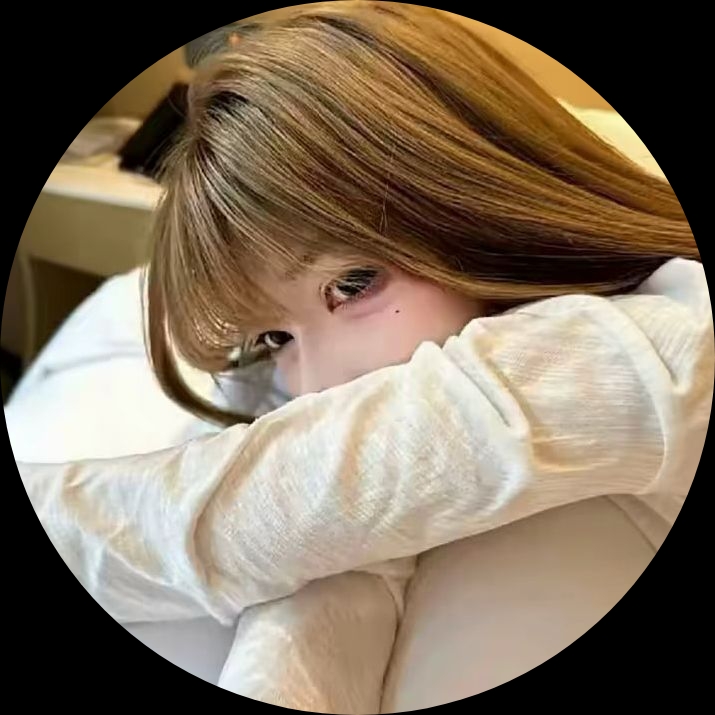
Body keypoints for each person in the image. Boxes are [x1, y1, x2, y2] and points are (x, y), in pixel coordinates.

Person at [16, 2, 710, 711]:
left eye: (352, 283)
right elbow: (336, 546)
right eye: (275, 338)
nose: (318, 385)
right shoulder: (403, 404)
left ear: (484, 201)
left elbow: (222, 519)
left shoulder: (651, 348)